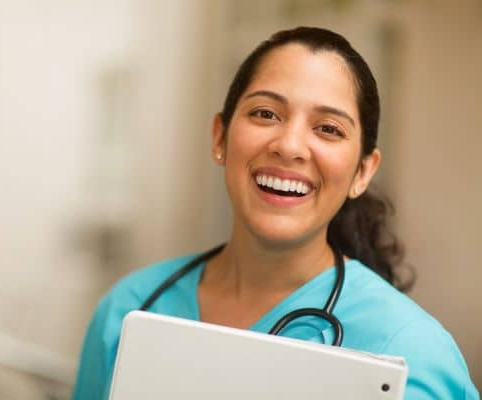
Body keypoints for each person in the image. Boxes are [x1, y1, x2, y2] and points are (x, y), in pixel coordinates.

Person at [72, 27, 479, 399]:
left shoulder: (409, 350)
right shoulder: (130, 307)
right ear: (220, 137)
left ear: (362, 172)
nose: (290, 146)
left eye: (328, 129)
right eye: (266, 113)